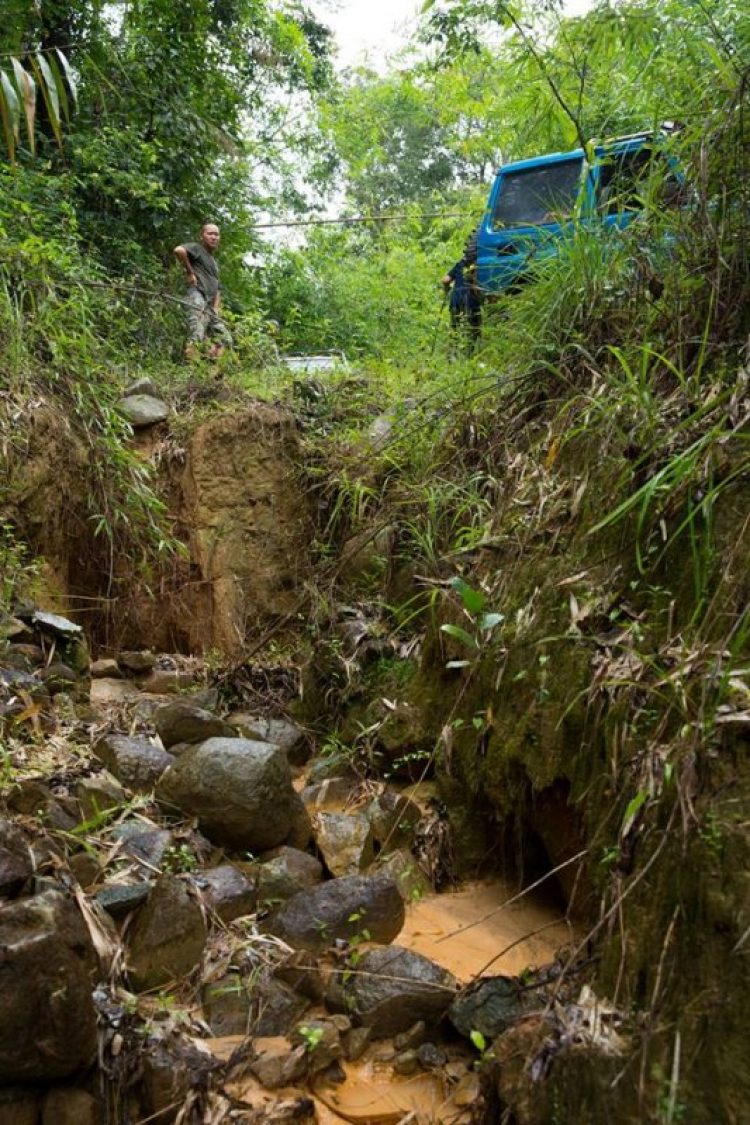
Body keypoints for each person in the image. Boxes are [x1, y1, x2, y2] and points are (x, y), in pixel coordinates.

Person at [173, 222, 233, 361]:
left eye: (216, 234)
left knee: (225, 339)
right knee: (197, 334)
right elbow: (179, 250)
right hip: (197, 296)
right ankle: (191, 372)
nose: (213, 237)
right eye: (210, 233)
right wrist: (190, 272)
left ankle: (212, 374)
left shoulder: (213, 262)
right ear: (202, 237)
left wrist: (216, 309)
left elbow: (218, 288)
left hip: (209, 306)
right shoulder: (197, 248)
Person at [442, 230, 481, 352]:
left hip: (455, 300)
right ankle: (470, 355)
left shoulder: (460, 264)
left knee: (454, 329)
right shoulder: (479, 265)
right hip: (470, 301)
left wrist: (446, 290)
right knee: (473, 330)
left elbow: (445, 280)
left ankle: (451, 355)